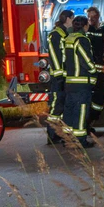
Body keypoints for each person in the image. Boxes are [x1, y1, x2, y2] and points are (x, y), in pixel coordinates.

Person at [61, 15, 100, 148]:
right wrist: (94, 70)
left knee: (69, 111)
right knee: (81, 110)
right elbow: (86, 59)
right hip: (82, 83)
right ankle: (80, 140)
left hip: (69, 82)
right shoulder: (81, 40)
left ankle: (68, 139)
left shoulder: (67, 39)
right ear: (85, 26)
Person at [44, 10, 72, 145]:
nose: (73, 21)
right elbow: (55, 56)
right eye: (72, 18)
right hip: (58, 77)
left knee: (62, 106)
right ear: (67, 19)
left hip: (64, 76)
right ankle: (52, 135)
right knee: (56, 106)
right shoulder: (56, 34)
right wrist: (60, 74)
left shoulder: (64, 34)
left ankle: (59, 134)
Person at [85, 7, 104, 128]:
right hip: (87, 71)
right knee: (87, 98)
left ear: (98, 16)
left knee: (99, 98)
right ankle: (87, 123)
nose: (91, 19)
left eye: (93, 16)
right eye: (89, 17)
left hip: (101, 72)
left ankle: (92, 119)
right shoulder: (85, 31)